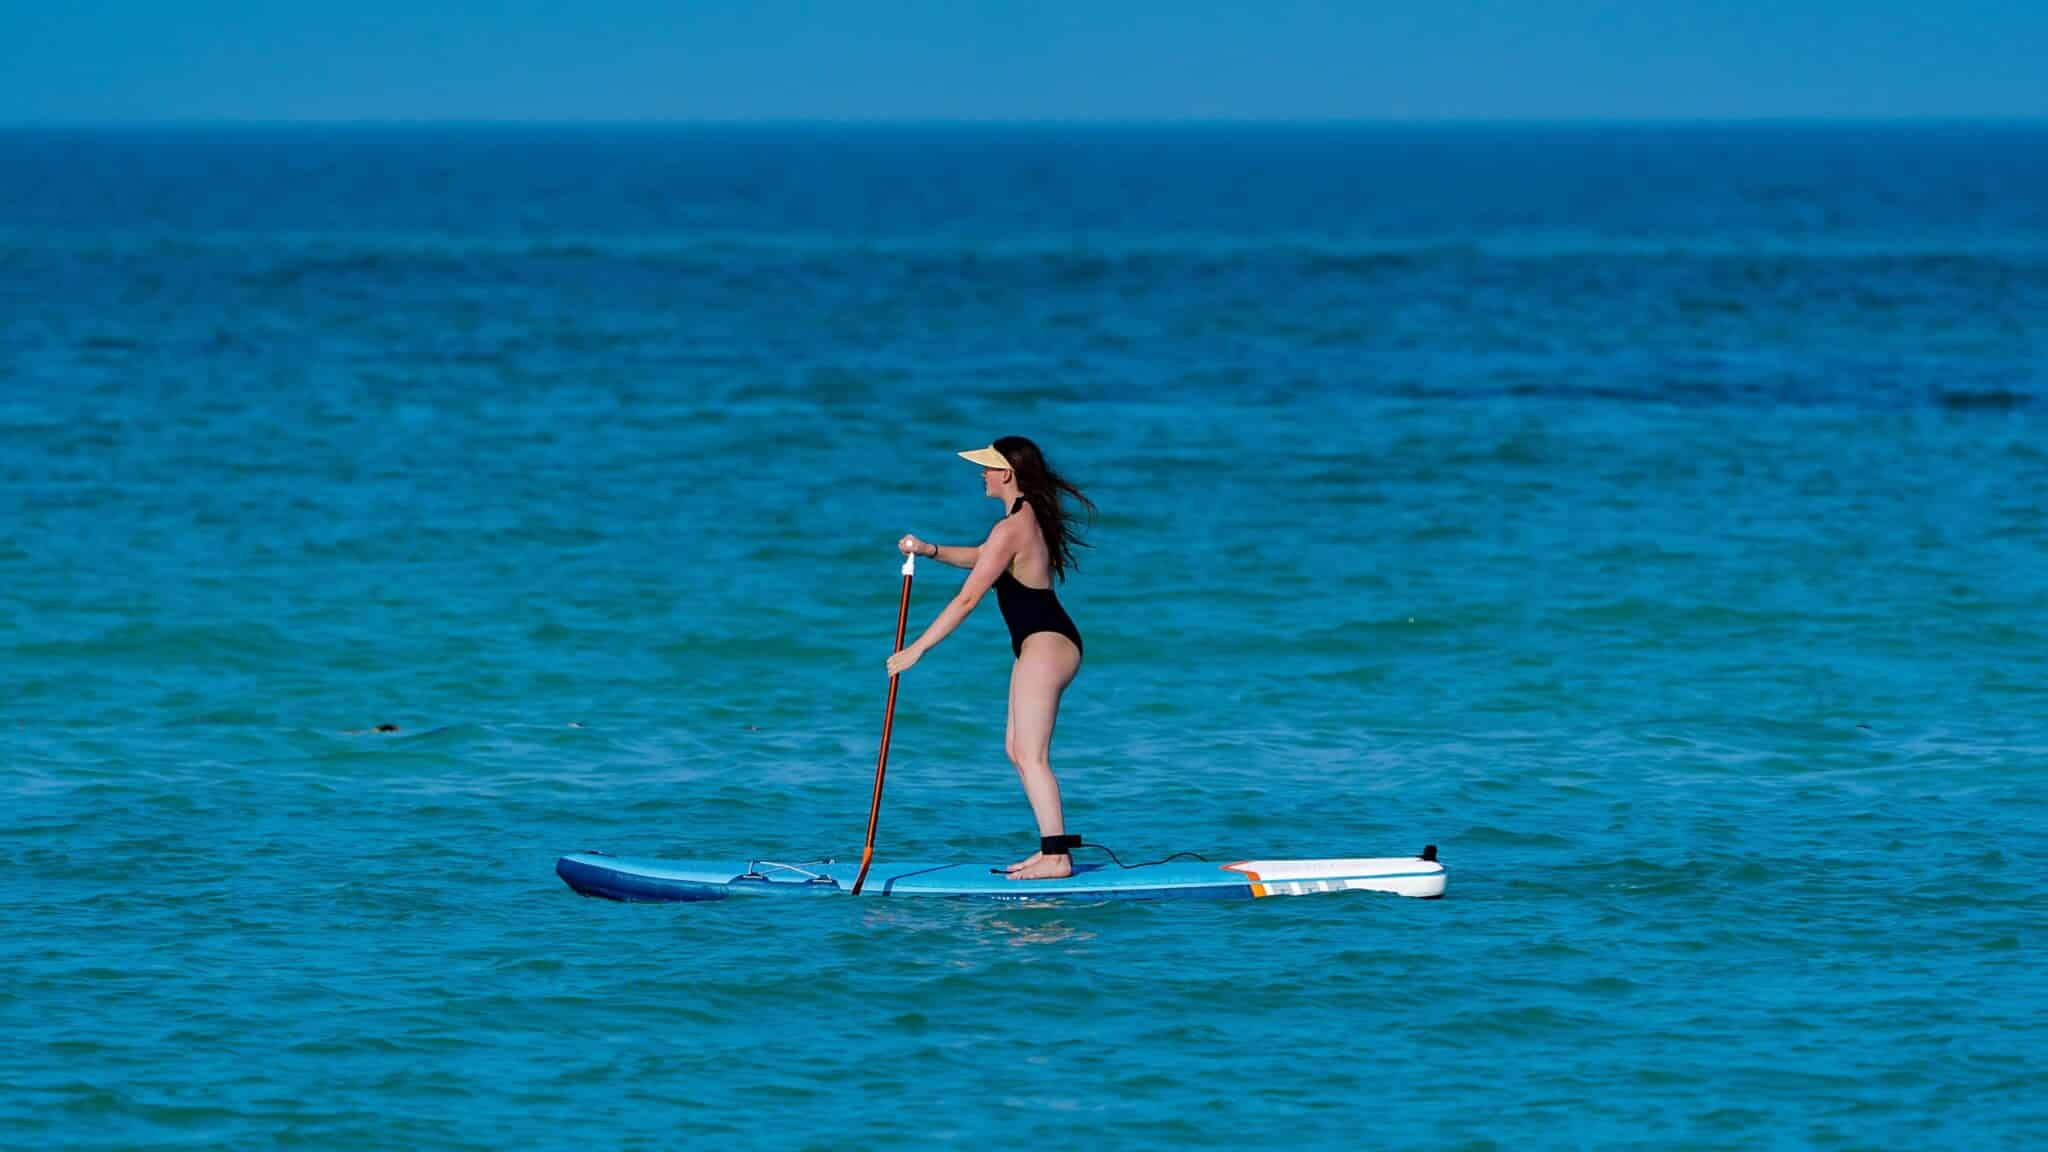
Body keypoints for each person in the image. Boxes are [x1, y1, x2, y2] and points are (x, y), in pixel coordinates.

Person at [886, 436, 1093, 880]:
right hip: (1044, 641)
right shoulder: (1020, 520)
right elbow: (983, 558)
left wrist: (916, 650)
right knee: (1017, 751)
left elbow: (968, 598)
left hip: (1046, 641)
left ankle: (1057, 857)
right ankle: (1050, 849)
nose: (981, 474)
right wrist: (930, 551)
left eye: (986, 467)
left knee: (1031, 754)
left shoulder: (1013, 526)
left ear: (1006, 473)